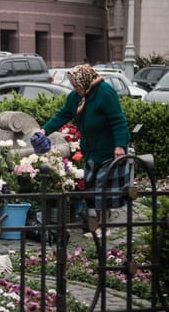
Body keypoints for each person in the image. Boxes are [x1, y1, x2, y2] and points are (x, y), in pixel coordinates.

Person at [39, 64, 130, 237]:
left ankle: (104, 227)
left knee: (103, 187)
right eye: (73, 84)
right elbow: (63, 115)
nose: (74, 88)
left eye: (76, 84)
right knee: (93, 185)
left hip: (108, 149)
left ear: (85, 80)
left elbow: (118, 121)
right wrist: (44, 131)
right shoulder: (76, 97)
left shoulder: (104, 92)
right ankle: (98, 225)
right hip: (91, 148)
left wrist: (119, 146)